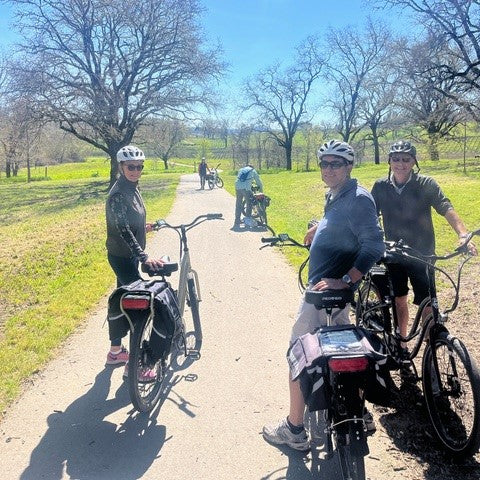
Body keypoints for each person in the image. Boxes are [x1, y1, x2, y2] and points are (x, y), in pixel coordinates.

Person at [262, 140, 385, 450]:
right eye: (324, 163)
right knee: (338, 354)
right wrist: (320, 227)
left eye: (336, 163)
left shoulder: (359, 199)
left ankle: (294, 429)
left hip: (325, 294)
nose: (328, 169)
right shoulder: (338, 196)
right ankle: (358, 412)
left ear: (349, 166)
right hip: (327, 294)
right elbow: (342, 225)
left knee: (298, 355)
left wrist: (344, 280)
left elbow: (374, 246)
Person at [371, 140, 477, 349]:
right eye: (396, 159)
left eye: (406, 159)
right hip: (394, 253)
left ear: (413, 162)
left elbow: (446, 207)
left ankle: (431, 348)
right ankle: (401, 345)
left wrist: (463, 234)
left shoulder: (426, 184)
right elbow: (369, 215)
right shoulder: (381, 186)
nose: (400, 164)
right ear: (390, 161)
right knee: (399, 300)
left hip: (422, 253)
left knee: (427, 301)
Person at [105, 145, 165, 377]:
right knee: (139, 308)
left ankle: (115, 352)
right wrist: (144, 256)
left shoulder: (132, 187)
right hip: (123, 258)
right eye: (131, 166)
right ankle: (136, 366)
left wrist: (145, 227)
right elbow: (123, 230)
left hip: (126, 256)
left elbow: (130, 222)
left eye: (139, 166)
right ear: (121, 166)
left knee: (120, 302)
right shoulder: (119, 193)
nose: (136, 170)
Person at [232, 163, 263, 229]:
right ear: (252, 167)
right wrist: (261, 191)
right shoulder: (253, 171)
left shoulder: (241, 170)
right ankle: (247, 219)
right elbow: (258, 182)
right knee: (249, 203)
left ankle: (237, 220)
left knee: (238, 203)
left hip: (237, 187)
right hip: (246, 188)